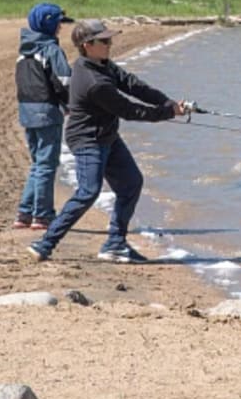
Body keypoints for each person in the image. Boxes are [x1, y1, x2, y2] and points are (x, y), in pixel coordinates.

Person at [28, 19, 189, 263]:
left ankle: (115, 244)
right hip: (87, 140)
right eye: (104, 40)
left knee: (131, 183)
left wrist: (168, 103)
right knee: (88, 192)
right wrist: (169, 113)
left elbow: (133, 85)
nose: (110, 44)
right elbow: (130, 110)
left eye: (109, 39)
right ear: (87, 45)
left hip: (107, 136)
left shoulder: (103, 64)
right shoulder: (93, 82)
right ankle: (45, 244)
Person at [14, 2, 74, 230]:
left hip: (26, 111)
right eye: (59, 23)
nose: (61, 27)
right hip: (47, 112)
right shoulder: (52, 50)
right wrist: (70, 104)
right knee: (47, 165)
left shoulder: (24, 52)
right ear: (49, 25)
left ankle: (24, 213)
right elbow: (64, 81)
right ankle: (43, 215)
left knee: (38, 164)